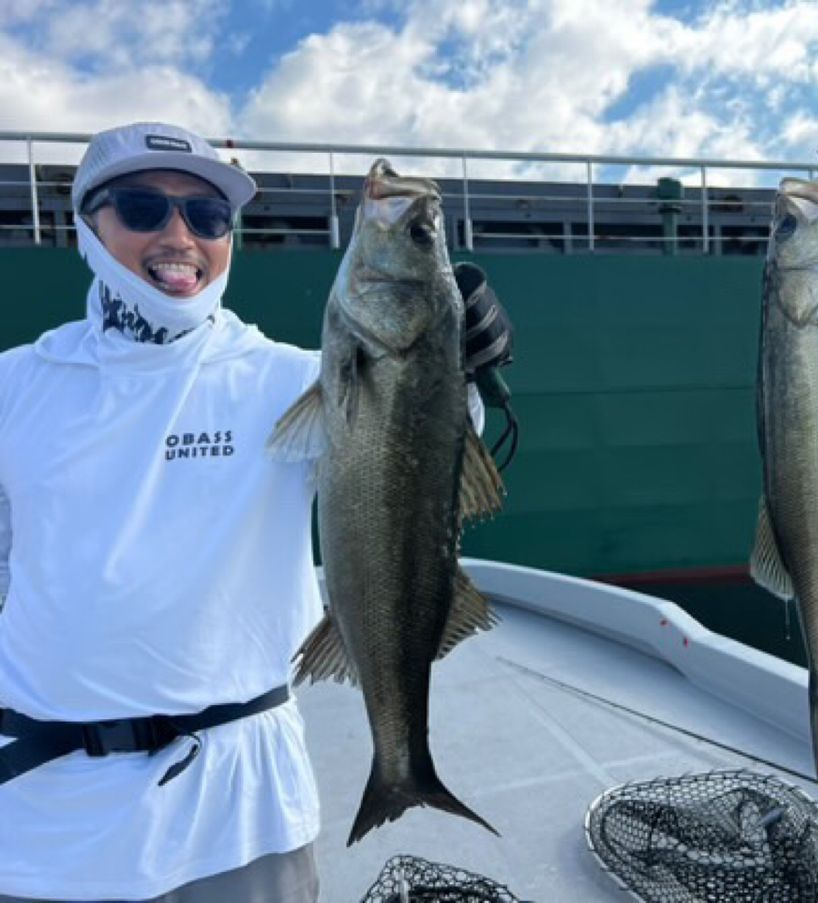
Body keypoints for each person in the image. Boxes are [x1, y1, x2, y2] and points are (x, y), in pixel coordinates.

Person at [0, 122, 498, 902]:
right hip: (43, 825)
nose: (179, 236)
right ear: (85, 223)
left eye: (208, 218)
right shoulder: (14, 385)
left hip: (244, 817)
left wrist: (462, 363)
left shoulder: (286, 379)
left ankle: (402, 770)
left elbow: (410, 452)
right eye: (142, 208)